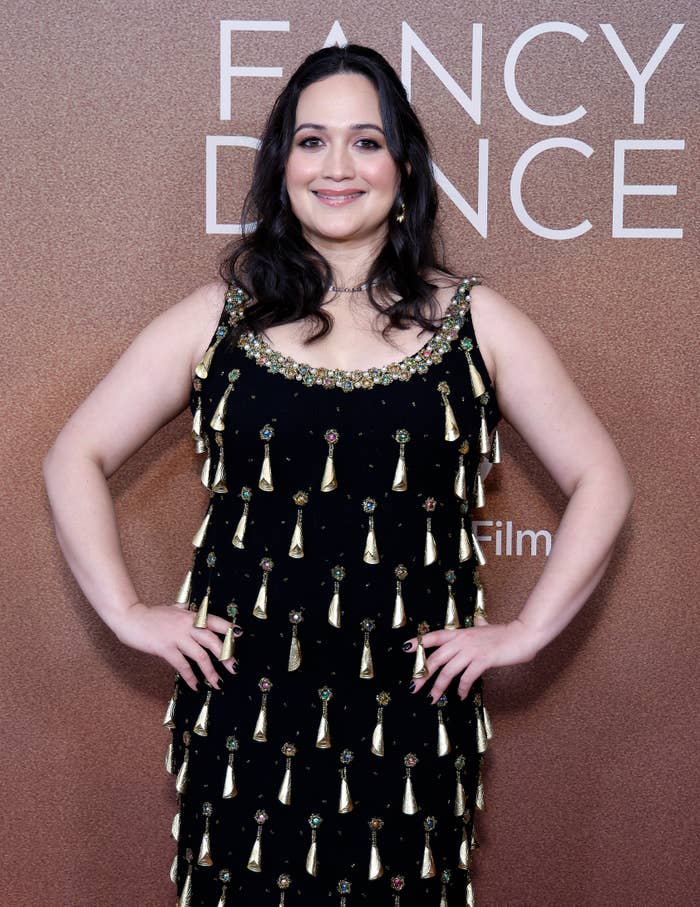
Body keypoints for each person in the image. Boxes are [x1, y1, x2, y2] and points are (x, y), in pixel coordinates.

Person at [42, 44, 634, 907]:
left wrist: (527, 632)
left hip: (410, 724)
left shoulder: (476, 321)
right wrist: (127, 612)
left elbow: (602, 479)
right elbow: (74, 455)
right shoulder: (220, 318)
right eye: (312, 140)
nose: (337, 167)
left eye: (366, 141)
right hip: (247, 718)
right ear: (282, 161)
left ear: (404, 163)